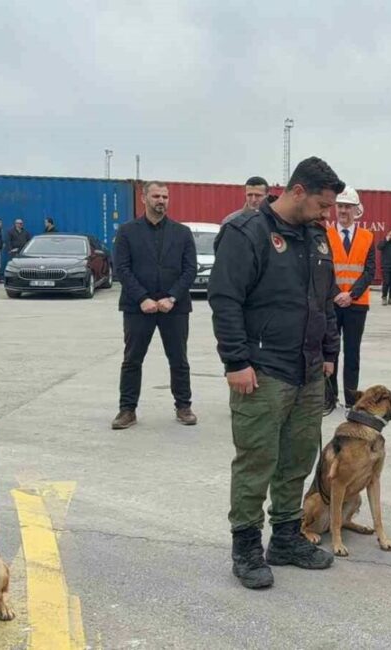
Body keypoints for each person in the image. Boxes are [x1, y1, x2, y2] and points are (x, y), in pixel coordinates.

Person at [209, 156, 343, 590]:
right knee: (256, 460)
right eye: (323, 205)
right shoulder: (246, 233)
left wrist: (328, 353)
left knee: (297, 458)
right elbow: (225, 299)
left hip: (307, 370)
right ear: (297, 191)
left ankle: (285, 537)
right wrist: (236, 362)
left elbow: (325, 300)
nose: (328, 215)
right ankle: (246, 545)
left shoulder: (316, 236)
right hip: (262, 370)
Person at [110, 181, 198, 430]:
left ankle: (184, 405)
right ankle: (127, 410)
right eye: (156, 196)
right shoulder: (128, 231)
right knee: (132, 360)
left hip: (175, 308)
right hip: (138, 307)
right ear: (144, 198)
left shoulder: (182, 233)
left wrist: (172, 297)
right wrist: (142, 298)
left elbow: (190, 269)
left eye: (165, 196)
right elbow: (122, 269)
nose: (161, 200)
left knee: (179, 359)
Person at [327, 186, 375, 408]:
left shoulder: (367, 237)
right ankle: (329, 397)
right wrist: (337, 294)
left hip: (357, 304)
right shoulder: (324, 234)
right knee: (330, 351)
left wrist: (352, 294)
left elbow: (369, 271)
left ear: (357, 210)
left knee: (352, 353)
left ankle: (350, 400)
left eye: (347, 206)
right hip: (332, 302)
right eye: (340, 206)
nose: (343, 210)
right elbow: (322, 269)